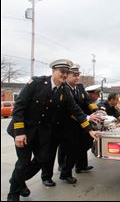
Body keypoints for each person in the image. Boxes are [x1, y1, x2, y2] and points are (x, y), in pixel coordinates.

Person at [6, 59, 102, 201]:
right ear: (53, 72)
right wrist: (19, 133)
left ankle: (17, 181)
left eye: (66, 72)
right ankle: (13, 195)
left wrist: (89, 130)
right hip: (24, 129)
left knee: (43, 159)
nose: (64, 75)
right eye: (62, 72)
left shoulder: (63, 90)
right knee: (23, 162)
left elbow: (76, 110)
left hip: (42, 131)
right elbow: (19, 107)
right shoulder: (36, 83)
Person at [57, 65, 99, 177]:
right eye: (74, 75)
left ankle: (81, 166)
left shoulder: (80, 87)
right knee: (66, 147)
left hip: (80, 120)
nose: (77, 78)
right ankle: (63, 167)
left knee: (82, 144)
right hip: (67, 122)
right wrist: (87, 117)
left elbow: (88, 101)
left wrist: (96, 110)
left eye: (78, 75)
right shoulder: (63, 88)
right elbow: (70, 109)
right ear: (67, 76)